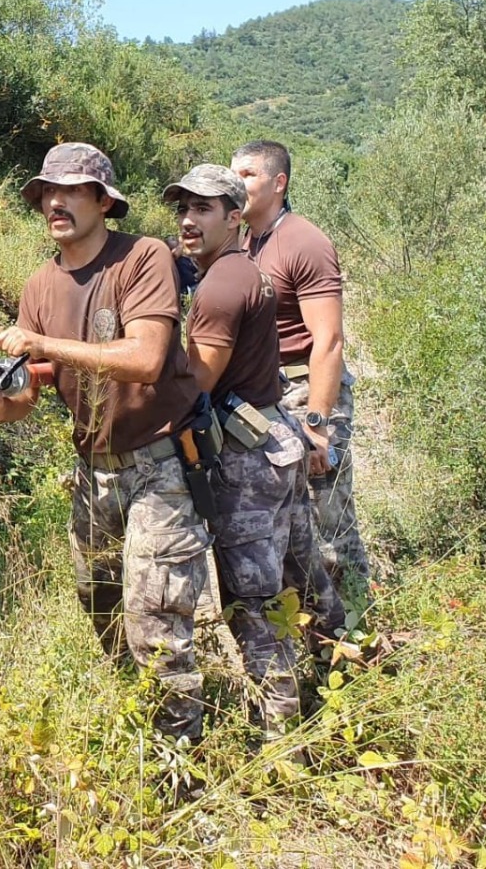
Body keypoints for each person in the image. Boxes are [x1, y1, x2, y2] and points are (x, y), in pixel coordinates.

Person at [0, 142, 211, 743]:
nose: (55, 201)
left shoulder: (143, 258)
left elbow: (148, 358)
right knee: (98, 604)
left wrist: (45, 346)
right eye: (47, 192)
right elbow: (28, 394)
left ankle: (179, 761)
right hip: (92, 472)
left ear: (104, 201)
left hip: (160, 465)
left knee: (153, 621)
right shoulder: (39, 288)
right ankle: (136, 724)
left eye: (72, 191)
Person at [165, 164, 309, 736]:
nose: (188, 220)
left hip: (246, 464)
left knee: (253, 606)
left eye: (203, 209)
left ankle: (280, 740)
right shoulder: (239, 271)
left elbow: (197, 381)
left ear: (234, 216)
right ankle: (322, 684)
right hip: (273, 444)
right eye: (183, 208)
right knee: (288, 588)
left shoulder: (223, 284)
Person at [232, 140, 372, 624]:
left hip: (305, 387)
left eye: (248, 175)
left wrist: (318, 422)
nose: (238, 183)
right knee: (285, 523)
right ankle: (308, 628)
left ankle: (354, 626)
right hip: (264, 396)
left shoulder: (304, 242)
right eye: (234, 174)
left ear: (279, 183)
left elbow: (329, 340)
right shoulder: (246, 241)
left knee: (328, 519)